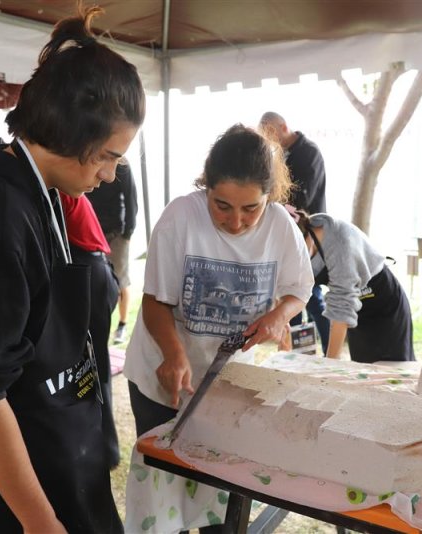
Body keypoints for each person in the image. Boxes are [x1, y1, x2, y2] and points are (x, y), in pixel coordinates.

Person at [0, 7, 144, 532]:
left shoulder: (39, 191)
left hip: (62, 444)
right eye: (109, 156)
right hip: (25, 476)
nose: (112, 175)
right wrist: (39, 521)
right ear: (71, 131)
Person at [123, 124, 313, 532]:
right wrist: (174, 355)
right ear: (205, 187)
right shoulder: (181, 217)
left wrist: (279, 314)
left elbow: (300, 289)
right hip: (163, 378)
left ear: (270, 197)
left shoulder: (281, 226)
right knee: (166, 496)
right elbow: (155, 302)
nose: (236, 222)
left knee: (220, 498)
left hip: (227, 384)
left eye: (251, 209)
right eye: (222, 205)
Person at [290, 209, 415, 363]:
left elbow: (341, 308)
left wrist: (329, 365)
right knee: (362, 368)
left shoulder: (339, 242)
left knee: (392, 371)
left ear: (305, 236)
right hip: (357, 311)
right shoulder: (305, 239)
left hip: (384, 307)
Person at [60, 191, 121, 469]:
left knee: (91, 368)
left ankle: (103, 449)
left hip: (87, 272)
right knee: (93, 367)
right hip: (94, 270)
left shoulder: (56, 185)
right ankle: (102, 447)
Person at [259, 111, 330, 352]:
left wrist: (276, 201)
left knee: (311, 294)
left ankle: (330, 347)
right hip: (290, 230)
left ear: (283, 126)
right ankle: (297, 353)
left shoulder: (309, 152)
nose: (269, 139)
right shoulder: (281, 153)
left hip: (309, 233)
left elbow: (305, 198)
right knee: (290, 292)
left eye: (270, 133)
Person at [87, 161, 138, 344]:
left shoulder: (122, 165)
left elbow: (131, 199)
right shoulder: (90, 160)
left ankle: (122, 325)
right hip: (93, 231)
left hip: (117, 232)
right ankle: (100, 326)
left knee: (121, 280)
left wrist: (127, 233)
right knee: (98, 282)